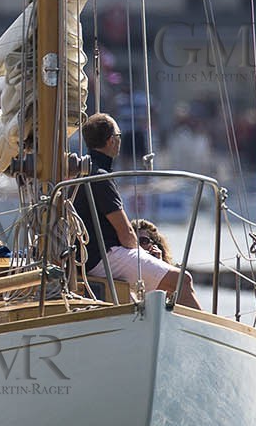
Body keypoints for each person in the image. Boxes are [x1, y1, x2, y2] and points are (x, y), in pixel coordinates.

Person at [76, 113, 201, 309]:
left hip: (88, 258)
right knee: (182, 280)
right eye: (118, 135)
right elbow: (126, 234)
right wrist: (142, 252)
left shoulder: (82, 172)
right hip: (105, 258)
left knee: (164, 280)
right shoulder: (100, 176)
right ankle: (201, 337)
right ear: (111, 141)